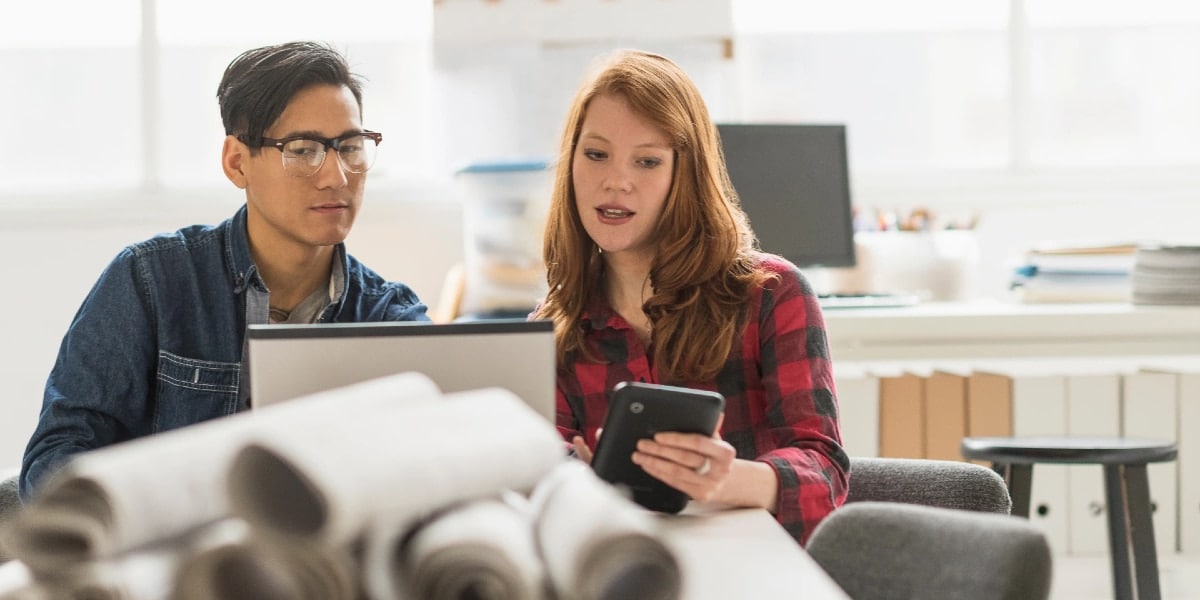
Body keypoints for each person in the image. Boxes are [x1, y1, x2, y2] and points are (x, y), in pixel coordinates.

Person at [20, 41, 429, 500]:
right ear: (237, 162)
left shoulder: (388, 316)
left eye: (350, 147)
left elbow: (445, 453)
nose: (336, 176)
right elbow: (56, 458)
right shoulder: (150, 282)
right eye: (303, 150)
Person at [532, 49, 848, 545]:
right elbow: (539, 480)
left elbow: (825, 475)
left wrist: (727, 479)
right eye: (596, 154)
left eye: (648, 161)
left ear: (686, 174)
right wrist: (579, 486)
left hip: (758, 572)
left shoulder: (772, 296)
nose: (616, 181)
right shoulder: (554, 328)